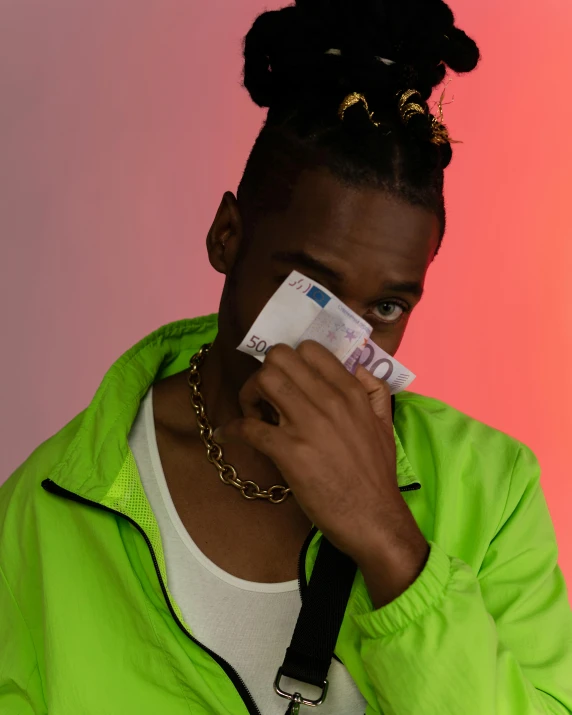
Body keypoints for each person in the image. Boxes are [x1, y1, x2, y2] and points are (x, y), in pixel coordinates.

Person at [1, 0, 571, 713]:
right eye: (313, 290)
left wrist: (391, 542)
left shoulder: (494, 489)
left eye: (388, 307)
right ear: (226, 236)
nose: (343, 341)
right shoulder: (48, 508)